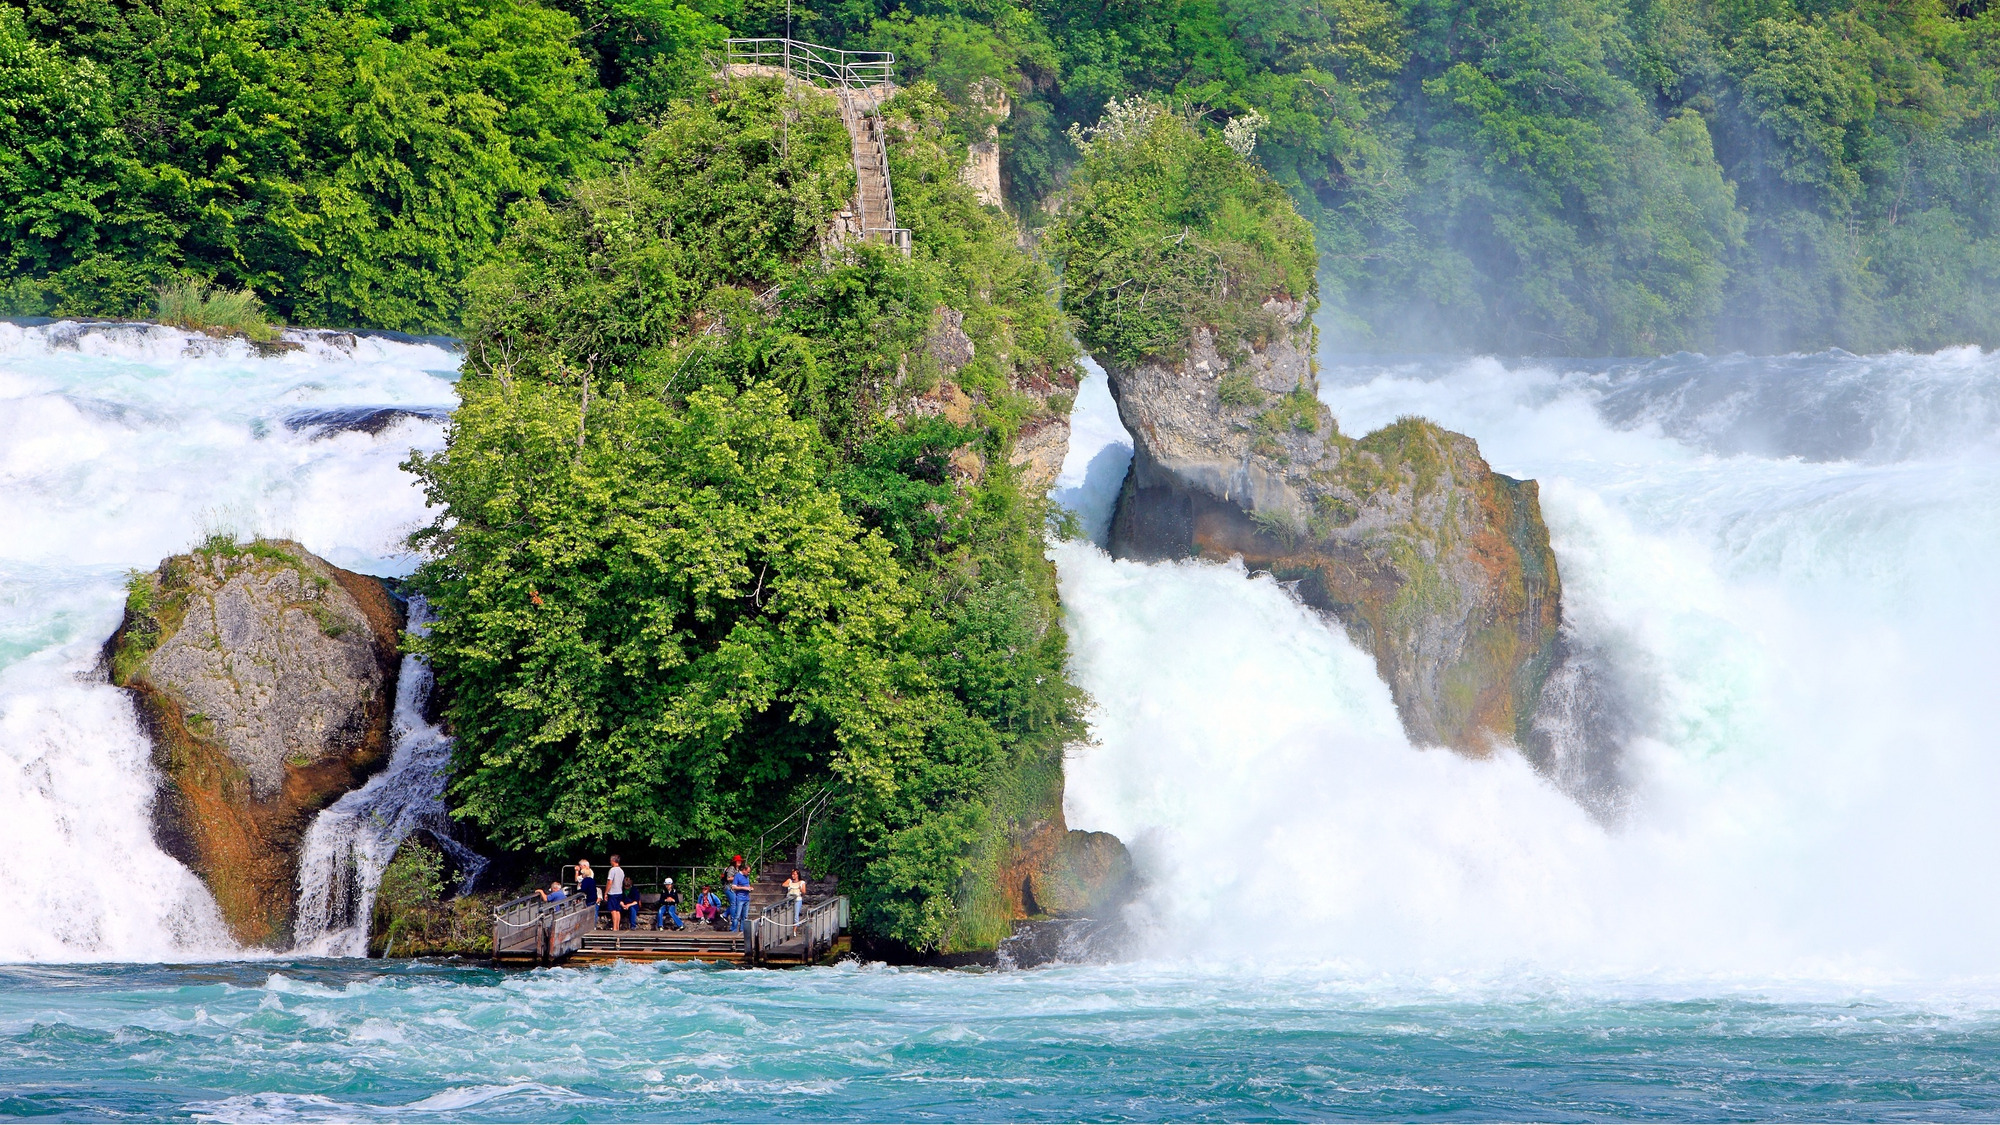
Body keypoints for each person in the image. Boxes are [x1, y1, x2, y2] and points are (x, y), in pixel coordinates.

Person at [604, 855, 628, 931]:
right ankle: (617, 926)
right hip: (619, 892)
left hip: (613, 892)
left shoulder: (612, 870)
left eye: (611, 860)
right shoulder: (621, 870)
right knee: (618, 910)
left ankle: (614, 927)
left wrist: (606, 892)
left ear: (613, 861)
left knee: (613, 910)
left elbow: (610, 882)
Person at [728, 862, 753, 932]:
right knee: (737, 915)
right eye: (747, 872)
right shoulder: (737, 876)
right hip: (740, 898)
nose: (748, 873)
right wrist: (743, 888)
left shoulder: (747, 877)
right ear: (744, 870)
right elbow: (733, 887)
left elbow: (747, 885)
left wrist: (749, 888)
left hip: (746, 898)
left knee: (745, 916)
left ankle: (742, 930)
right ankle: (733, 929)